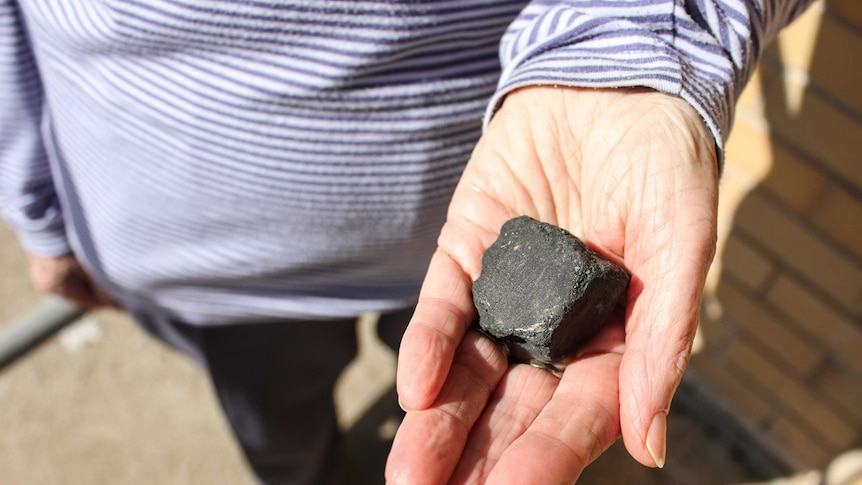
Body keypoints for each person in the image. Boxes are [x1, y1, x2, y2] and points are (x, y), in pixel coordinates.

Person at [0, 1, 814, 484]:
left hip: (466, 218)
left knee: (442, 397)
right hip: (200, 265)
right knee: (279, 436)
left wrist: (637, 44)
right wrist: (35, 202)